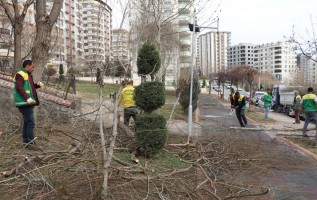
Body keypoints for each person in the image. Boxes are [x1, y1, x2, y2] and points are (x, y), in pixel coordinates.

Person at [13, 60, 44, 147]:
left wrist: (37, 85)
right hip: (24, 102)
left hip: (26, 102)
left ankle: (26, 142)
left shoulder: (27, 75)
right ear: (27, 66)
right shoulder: (20, 74)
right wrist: (28, 98)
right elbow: (19, 87)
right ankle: (31, 142)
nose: (33, 69)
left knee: (27, 122)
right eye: (32, 67)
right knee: (31, 123)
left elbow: (30, 87)